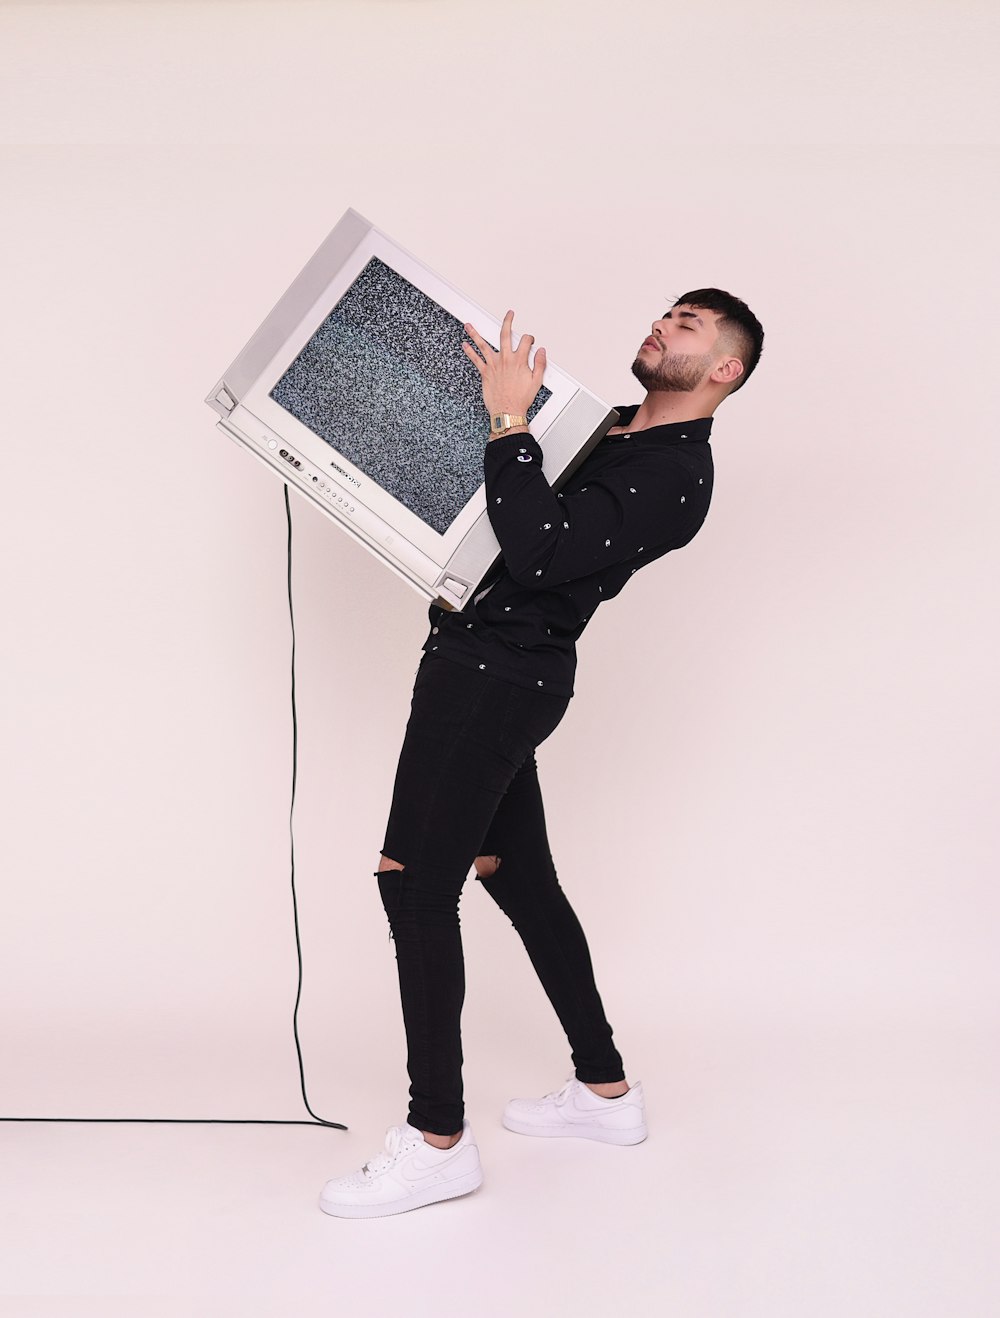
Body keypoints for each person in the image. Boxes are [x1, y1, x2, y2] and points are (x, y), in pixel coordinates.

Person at [318, 289, 765, 1219]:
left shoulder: (676, 475)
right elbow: (497, 514)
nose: (662, 324)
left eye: (688, 326)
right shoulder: (609, 429)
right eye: (666, 311)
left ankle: (437, 1139)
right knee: (513, 875)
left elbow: (538, 551)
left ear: (725, 369)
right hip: (486, 667)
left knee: (414, 881)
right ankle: (606, 1093)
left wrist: (510, 419)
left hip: (494, 682)